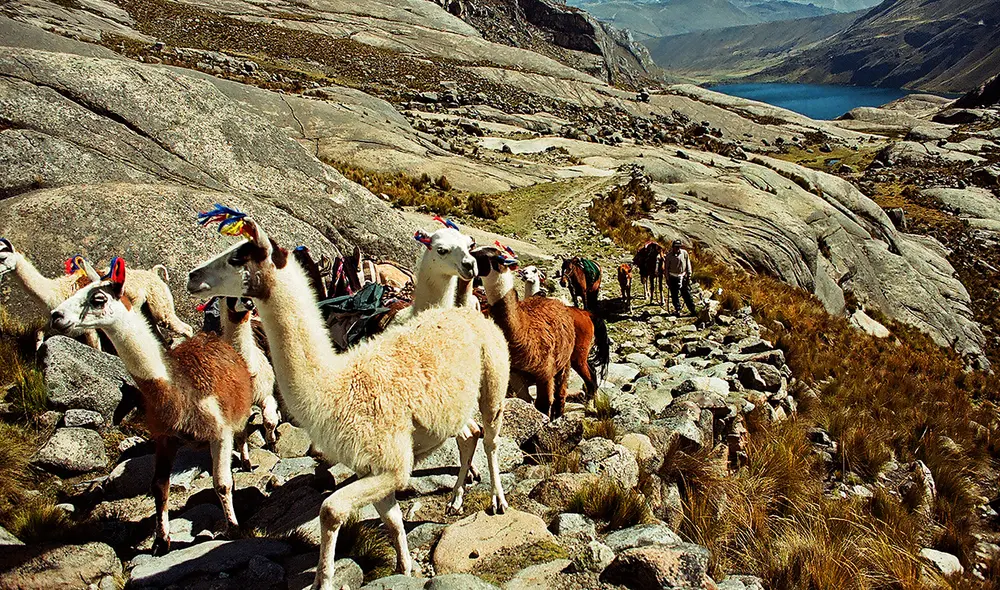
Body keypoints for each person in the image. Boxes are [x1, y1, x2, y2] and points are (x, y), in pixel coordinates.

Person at [664, 240, 697, 316]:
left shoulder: (684, 253)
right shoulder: (669, 256)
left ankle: (692, 310)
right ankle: (677, 309)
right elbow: (666, 268)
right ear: (673, 247)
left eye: (678, 247)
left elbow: (688, 263)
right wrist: (667, 279)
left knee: (687, 294)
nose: (677, 248)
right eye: (676, 247)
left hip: (683, 276)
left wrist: (689, 274)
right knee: (674, 294)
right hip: (673, 277)